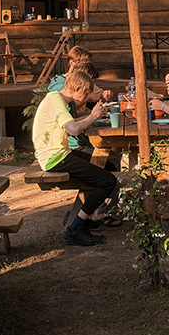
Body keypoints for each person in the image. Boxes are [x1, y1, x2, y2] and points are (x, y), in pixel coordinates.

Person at [33, 71, 118, 246]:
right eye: (85, 93)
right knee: (107, 180)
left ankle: (87, 215)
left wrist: (92, 117)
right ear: (77, 87)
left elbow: (73, 125)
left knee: (107, 166)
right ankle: (76, 228)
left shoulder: (58, 100)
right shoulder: (55, 101)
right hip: (55, 158)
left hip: (59, 154)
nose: (85, 98)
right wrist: (93, 116)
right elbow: (73, 130)